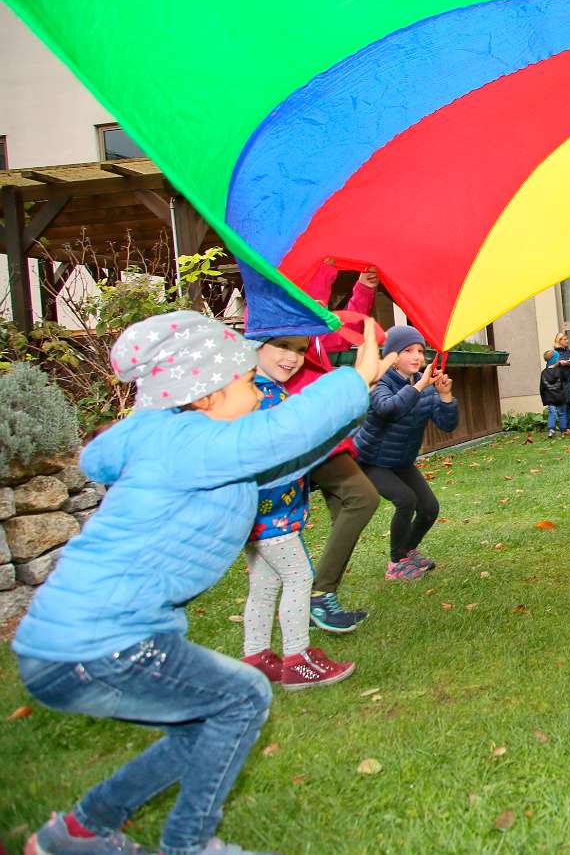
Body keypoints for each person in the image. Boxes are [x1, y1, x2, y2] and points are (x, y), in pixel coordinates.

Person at [13, 311, 385, 855]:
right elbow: (277, 434)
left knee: (204, 727)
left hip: (81, 644)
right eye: (246, 384)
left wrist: (356, 404)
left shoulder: (194, 449)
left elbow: (282, 462)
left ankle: (78, 833)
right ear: (207, 395)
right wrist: (352, 381)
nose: (258, 393)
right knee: (242, 699)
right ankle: (188, 845)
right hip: (98, 643)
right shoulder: (187, 443)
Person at [238, 336, 357, 690]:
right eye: (283, 346)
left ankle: (256, 656)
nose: (293, 358)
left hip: (258, 513)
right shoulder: (261, 396)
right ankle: (297, 659)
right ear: (255, 346)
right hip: (271, 511)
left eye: (302, 350)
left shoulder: (256, 389)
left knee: (264, 583)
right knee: (299, 578)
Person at [290, 259, 382, 633]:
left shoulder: (312, 336)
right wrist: (324, 262)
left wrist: (364, 286)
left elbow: (342, 326)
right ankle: (317, 596)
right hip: (310, 432)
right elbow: (316, 308)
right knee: (362, 498)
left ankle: (317, 600)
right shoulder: (287, 322)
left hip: (324, 430)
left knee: (343, 508)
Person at [353, 325, 459, 578]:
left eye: (420, 351)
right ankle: (396, 563)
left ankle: (408, 550)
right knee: (405, 500)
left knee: (429, 507)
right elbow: (389, 408)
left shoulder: (425, 385)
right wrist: (421, 385)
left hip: (400, 461)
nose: (417, 357)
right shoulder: (379, 382)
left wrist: (445, 396)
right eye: (408, 350)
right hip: (370, 460)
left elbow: (447, 425)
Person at [540, 332, 570, 438]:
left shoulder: (569, 351)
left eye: (567, 339)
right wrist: (559, 363)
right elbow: (550, 368)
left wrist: (569, 363)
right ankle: (564, 428)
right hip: (559, 383)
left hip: (569, 380)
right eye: (565, 339)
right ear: (559, 340)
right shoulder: (554, 353)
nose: (567, 341)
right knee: (563, 404)